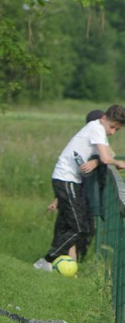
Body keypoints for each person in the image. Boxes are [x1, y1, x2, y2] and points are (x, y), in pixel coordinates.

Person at [34, 104, 125, 272]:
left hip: (71, 180)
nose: (112, 132)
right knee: (80, 228)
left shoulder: (98, 128)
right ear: (103, 118)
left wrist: (98, 161)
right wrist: (119, 163)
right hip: (65, 178)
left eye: (117, 130)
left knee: (76, 226)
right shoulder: (97, 129)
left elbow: (104, 155)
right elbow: (106, 158)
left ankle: (52, 262)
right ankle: (46, 261)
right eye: (112, 127)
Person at [45, 109, 105, 261]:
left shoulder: (97, 146)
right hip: (75, 192)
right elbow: (67, 176)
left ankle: (66, 261)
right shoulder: (88, 143)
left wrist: (96, 162)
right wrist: (56, 200)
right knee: (74, 227)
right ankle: (55, 260)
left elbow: (106, 158)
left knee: (77, 228)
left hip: (81, 194)